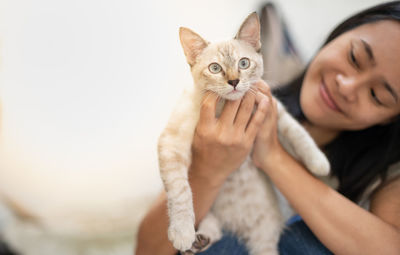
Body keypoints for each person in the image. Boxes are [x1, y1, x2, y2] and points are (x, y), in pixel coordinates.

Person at [135, 1, 400, 254]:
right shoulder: (234, 103)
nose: (346, 86)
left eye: (377, 95)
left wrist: (272, 156)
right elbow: (147, 250)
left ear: (391, 118)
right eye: (354, 57)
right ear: (341, 32)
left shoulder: (387, 177)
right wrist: (206, 170)